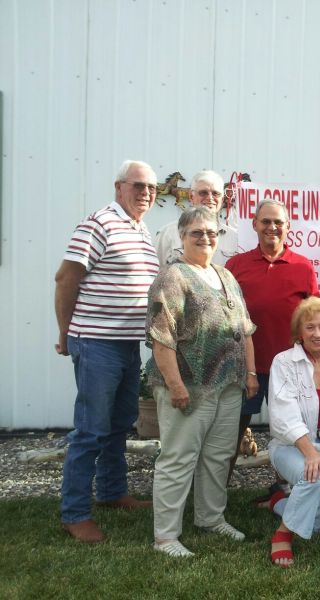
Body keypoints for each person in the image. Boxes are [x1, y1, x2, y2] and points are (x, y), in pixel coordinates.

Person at [54, 160, 160, 544]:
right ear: (119, 187)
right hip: (97, 344)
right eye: (138, 185)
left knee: (119, 424)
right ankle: (75, 513)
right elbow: (66, 278)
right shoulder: (99, 224)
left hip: (127, 345)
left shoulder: (140, 229)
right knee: (91, 430)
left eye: (151, 188)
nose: (145, 193)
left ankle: (113, 492)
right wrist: (65, 332)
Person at [146, 206, 258, 557]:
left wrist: (250, 373)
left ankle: (211, 518)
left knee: (218, 456)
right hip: (189, 386)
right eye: (197, 232)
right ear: (181, 236)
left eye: (212, 232)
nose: (206, 238)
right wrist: (175, 385)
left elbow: (244, 329)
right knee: (178, 458)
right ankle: (166, 537)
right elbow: (161, 337)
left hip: (228, 385)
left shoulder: (225, 275)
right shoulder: (173, 277)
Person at [225, 199, 320, 484]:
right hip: (245, 367)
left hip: (290, 368)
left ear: (288, 227)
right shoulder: (235, 265)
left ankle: (285, 490)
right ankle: (217, 492)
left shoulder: (303, 266)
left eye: (278, 222)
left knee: (291, 432)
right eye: (265, 221)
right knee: (230, 433)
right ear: (254, 225)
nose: (272, 227)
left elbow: (314, 316)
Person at [266, 298, 320, 567]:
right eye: (310, 327)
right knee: (316, 478)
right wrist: (311, 453)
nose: (317, 333)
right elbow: (283, 415)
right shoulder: (284, 362)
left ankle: (279, 501)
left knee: (317, 528)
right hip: (291, 447)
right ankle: (282, 535)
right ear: (299, 332)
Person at [154, 170, 238, 267]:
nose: (210, 198)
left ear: (222, 199)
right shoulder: (167, 234)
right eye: (203, 193)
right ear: (191, 196)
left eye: (215, 193)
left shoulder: (234, 238)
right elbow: (156, 272)